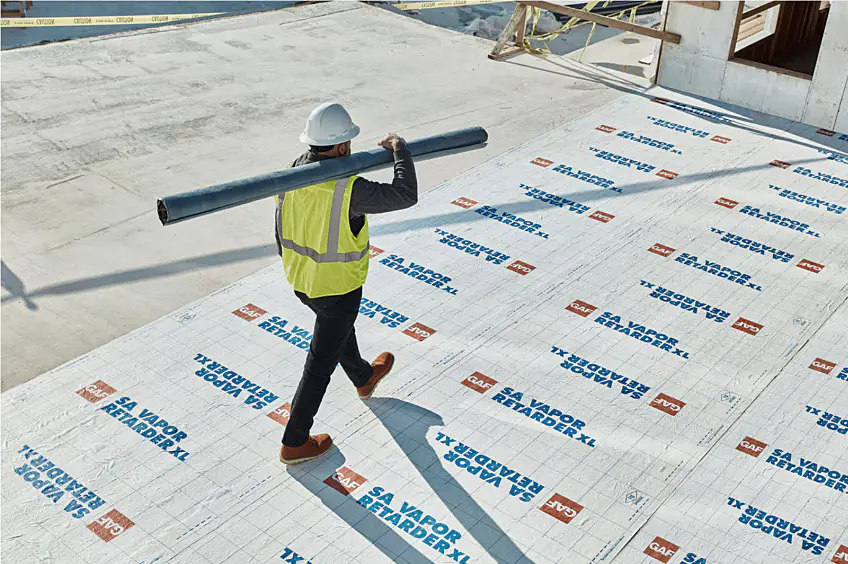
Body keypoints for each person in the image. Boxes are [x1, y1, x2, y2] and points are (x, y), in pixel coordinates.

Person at [276, 102, 418, 464]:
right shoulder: (349, 188)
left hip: (302, 278)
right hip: (337, 286)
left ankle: (363, 376)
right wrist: (401, 150)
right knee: (319, 362)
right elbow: (405, 195)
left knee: (335, 330)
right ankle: (294, 442)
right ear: (341, 147)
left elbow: (281, 226)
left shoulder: (293, 169)